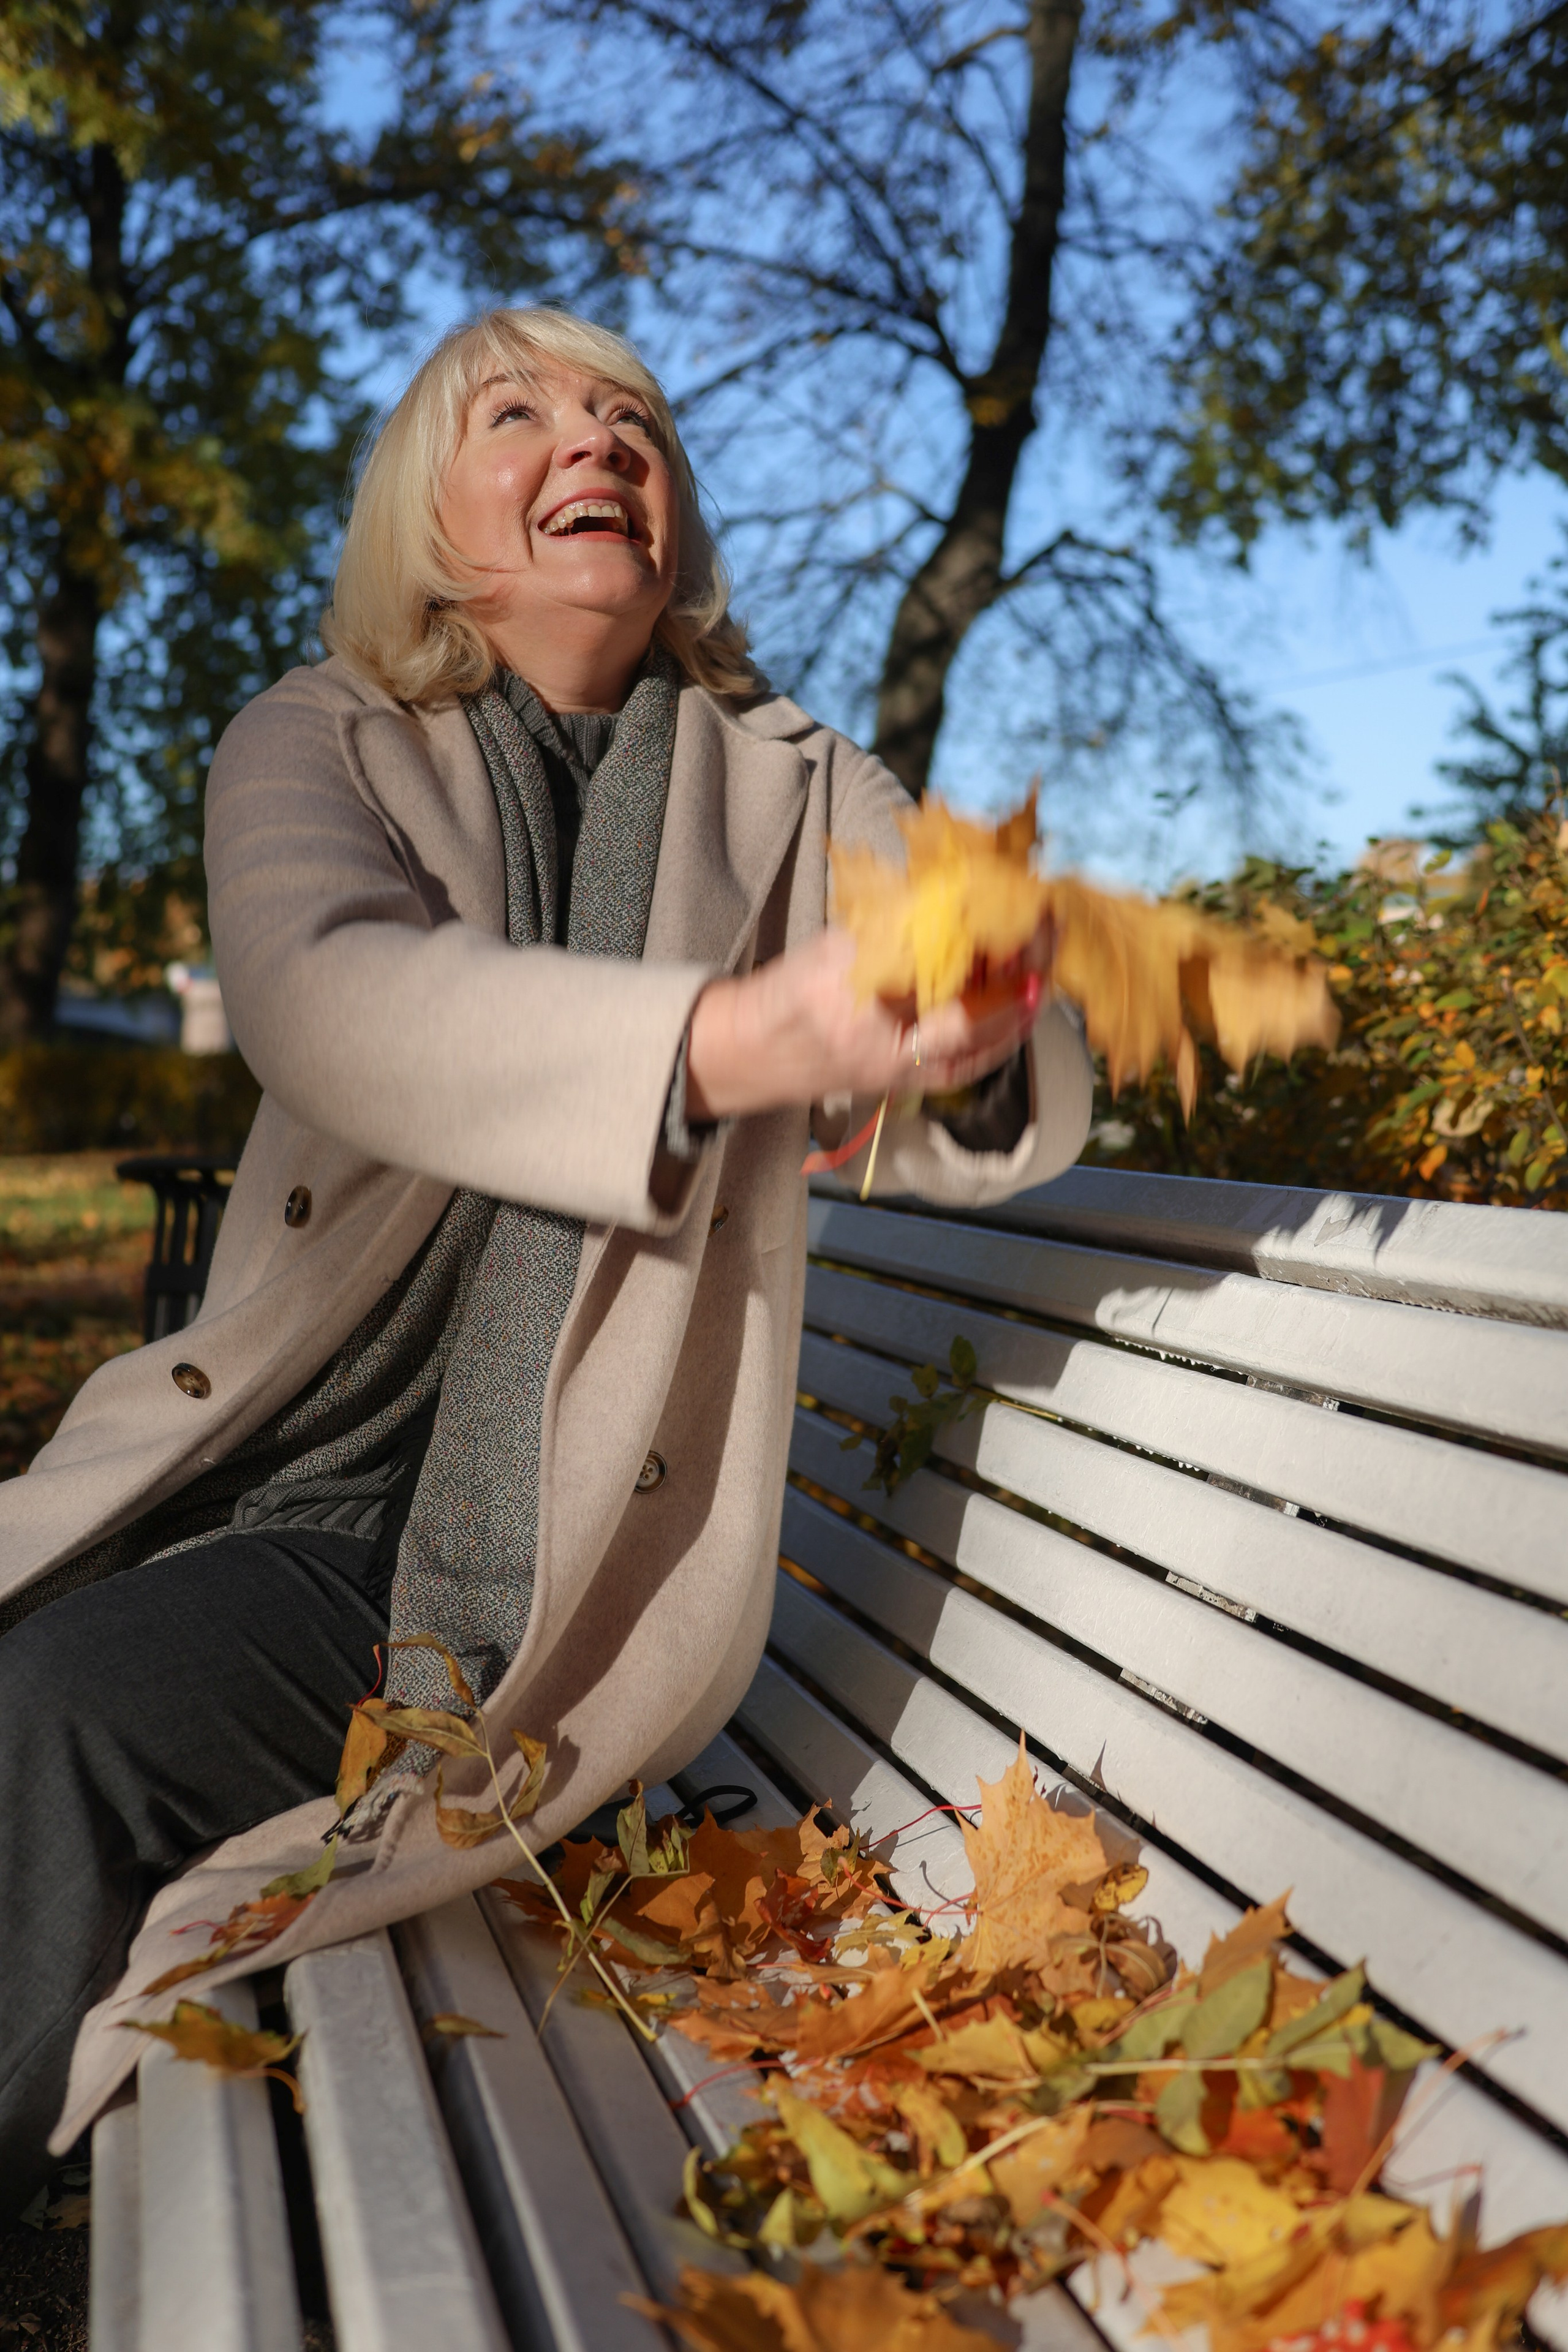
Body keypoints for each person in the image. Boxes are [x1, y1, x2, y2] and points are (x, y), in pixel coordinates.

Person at [0, 306, 1091, 2205]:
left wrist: (975, 1032)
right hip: (288, 1474)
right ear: (429, 527)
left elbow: (976, 1097)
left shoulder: (807, 782)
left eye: (634, 421)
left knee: (64, 1714)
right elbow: (328, 1001)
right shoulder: (319, 733)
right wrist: (723, 1045)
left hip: (560, 1568)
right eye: (519, 414)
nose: (598, 442)